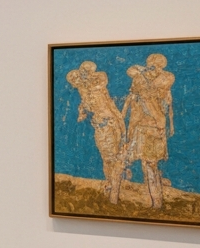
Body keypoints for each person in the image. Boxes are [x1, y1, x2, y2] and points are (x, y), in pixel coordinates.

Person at [65, 61, 125, 203]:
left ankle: (114, 189)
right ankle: (111, 185)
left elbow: (103, 100)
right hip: (102, 125)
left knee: (112, 158)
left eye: (85, 74)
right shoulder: (86, 92)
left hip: (107, 125)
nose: (78, 81)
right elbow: (86, 104)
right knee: (107, 158)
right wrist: (83, 111)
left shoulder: (97, 87)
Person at [122, 54, 175, 211]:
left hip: (152, 126)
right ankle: (155, 200)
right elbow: (132, 98)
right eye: (152, 65)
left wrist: (169, 124)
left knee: (150, 165)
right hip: (144, 126)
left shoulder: (163, 79)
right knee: (147, 165)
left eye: (156, 65)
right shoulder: (142, 78)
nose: (154, 68)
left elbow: (167, 102)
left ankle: (156, 201)